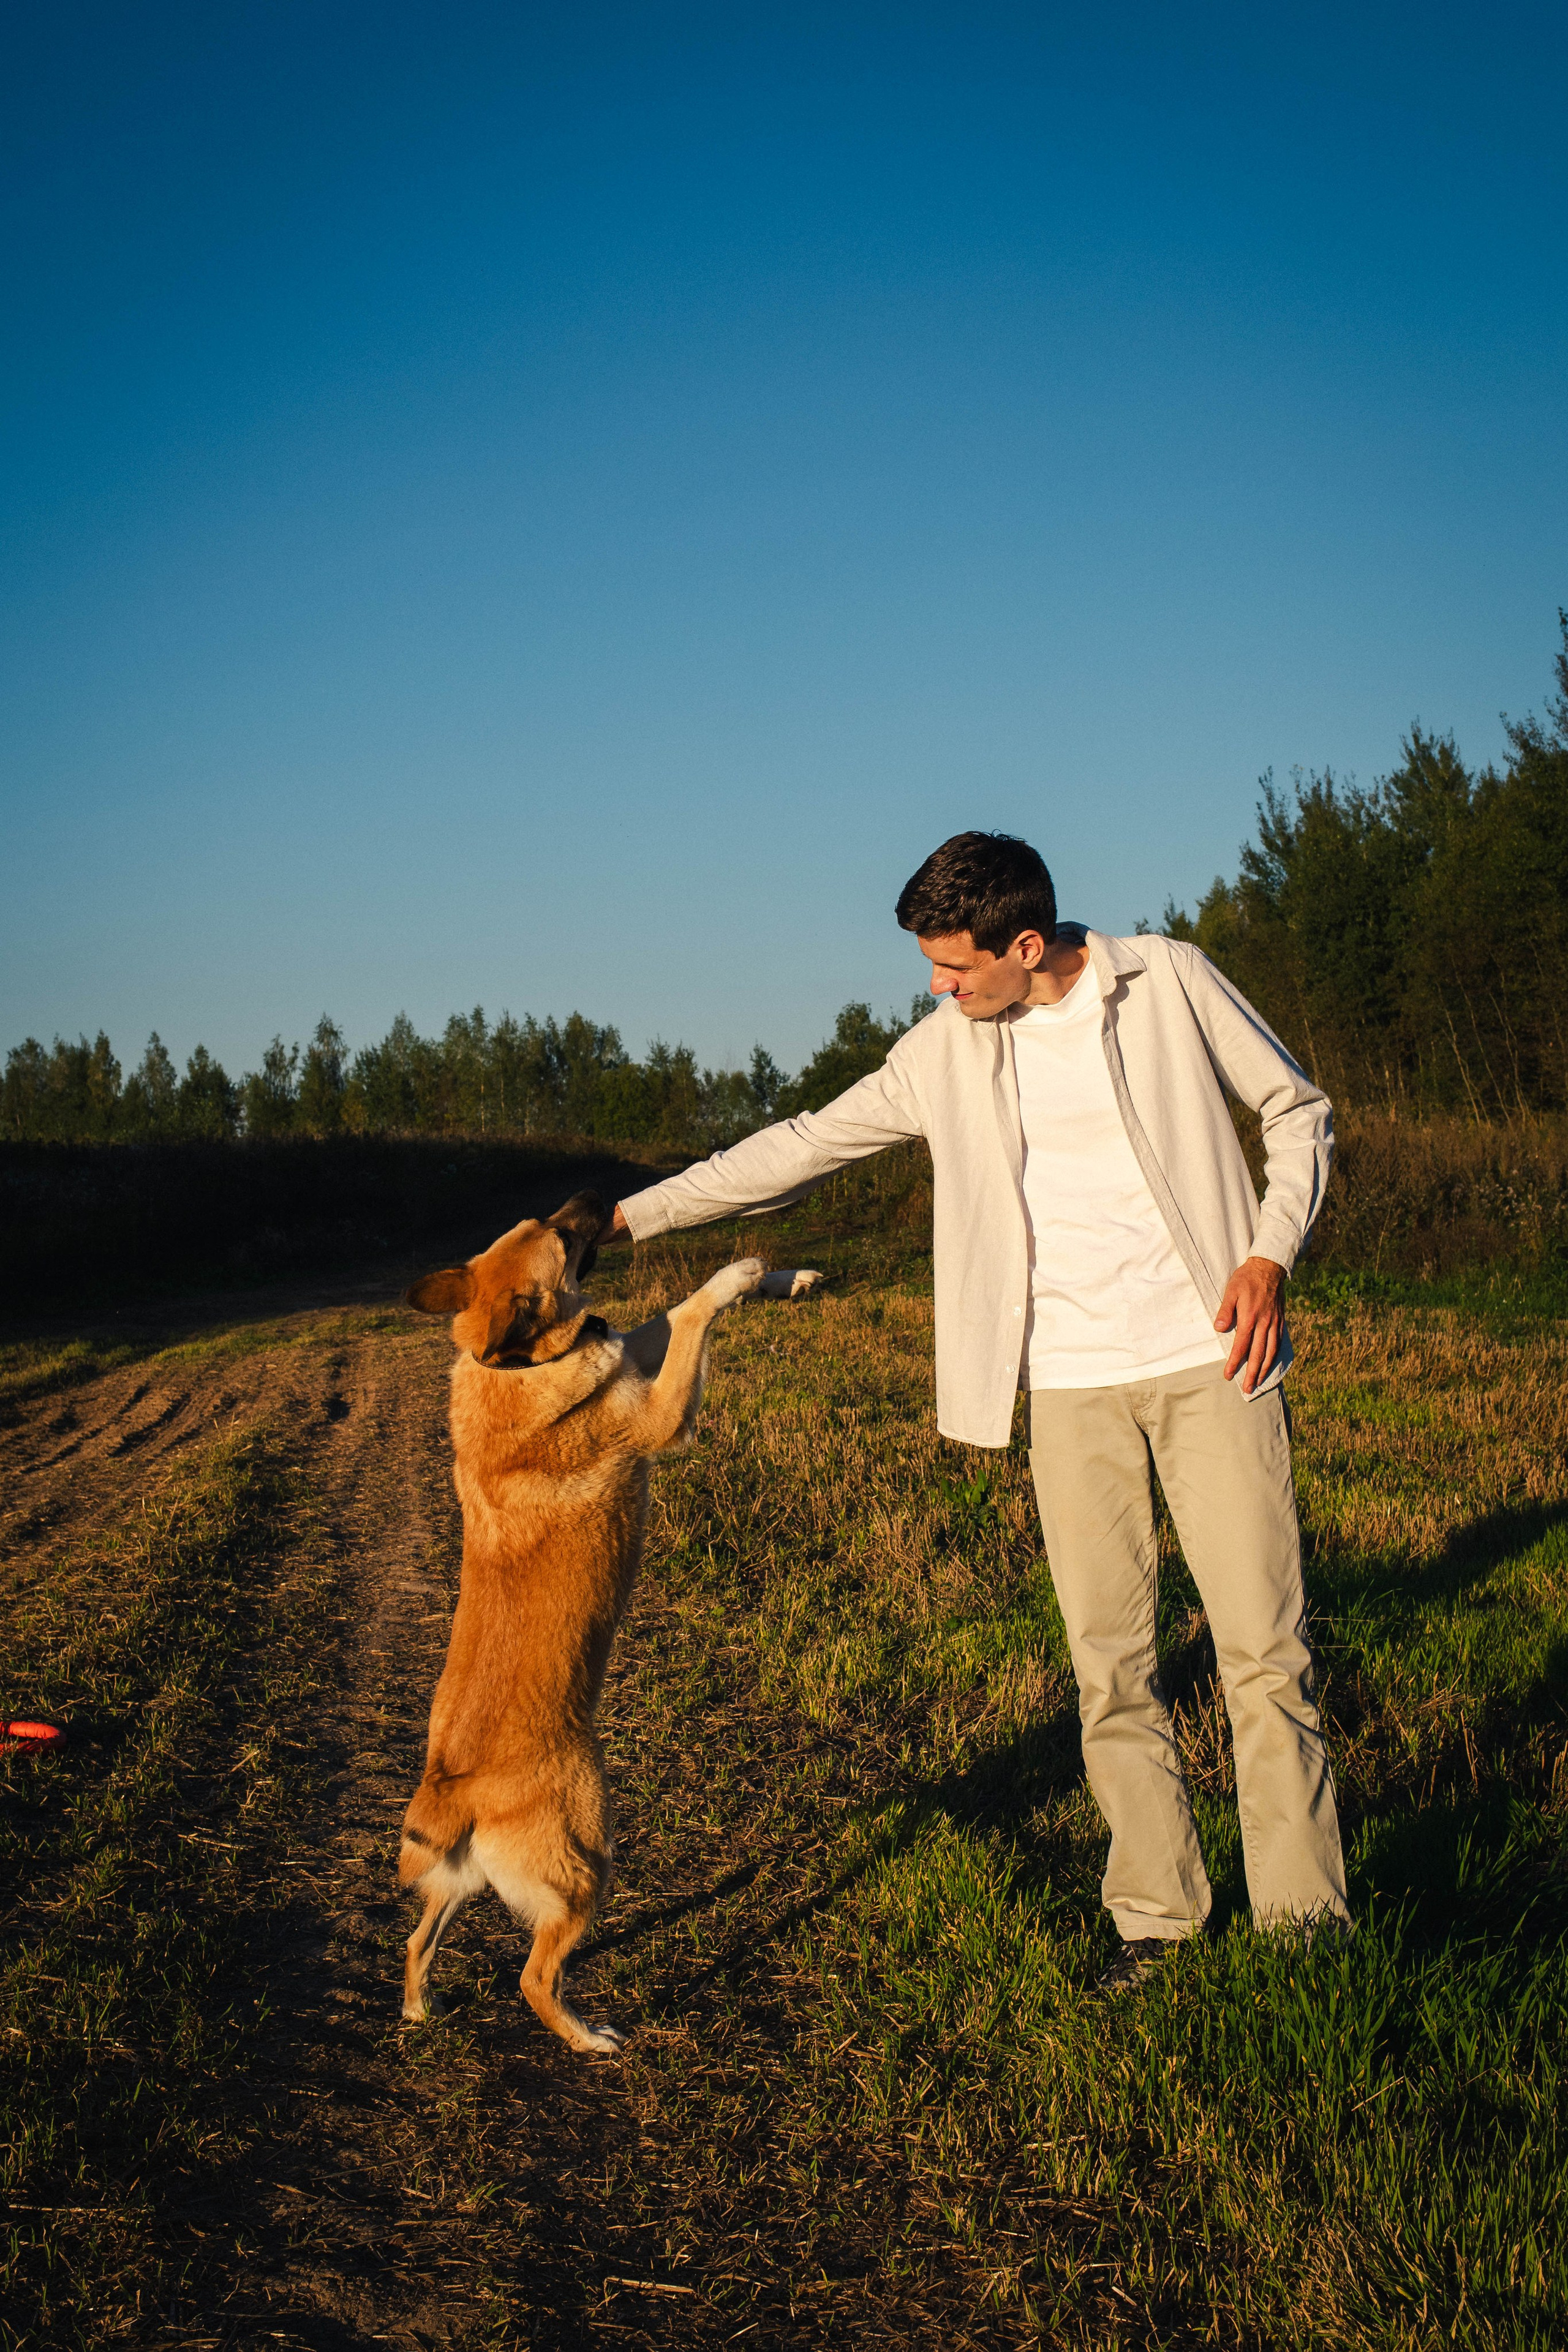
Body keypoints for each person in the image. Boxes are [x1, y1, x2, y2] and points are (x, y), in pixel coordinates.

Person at [599, 831, 1350, 1983]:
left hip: (1214, 1361)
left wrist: (1269, 1253)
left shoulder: (1169, 981)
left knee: (1263, 1653)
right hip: (1065, 1385)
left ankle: (1305, 1933)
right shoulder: (944, 1049)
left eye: (955, 969)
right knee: (1112, 1668)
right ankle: (1158, 1919)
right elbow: (801, 1148)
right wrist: (628, 1217)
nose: (938, 991)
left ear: (1028, 945)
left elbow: (1297, 1112)